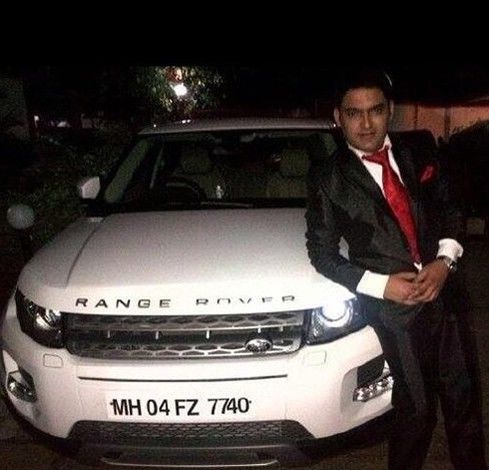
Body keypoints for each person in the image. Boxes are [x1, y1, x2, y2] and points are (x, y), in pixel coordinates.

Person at [305, 67, 487, 469]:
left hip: (445, 296)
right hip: (394, 312)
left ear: (389, 110)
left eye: (375, 110)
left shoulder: (419, 149)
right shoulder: (328, 178)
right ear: (338, 117)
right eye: (354, 113)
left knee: (464, 402)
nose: (366, 124)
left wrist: (444, 261)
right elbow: (322, 253)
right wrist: (381, 285)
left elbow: (451, 208)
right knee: (417, 410)